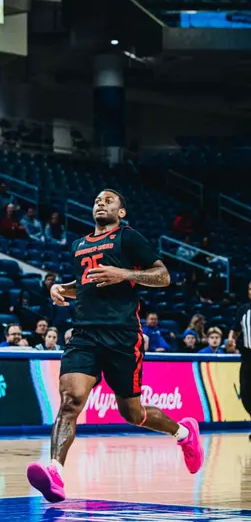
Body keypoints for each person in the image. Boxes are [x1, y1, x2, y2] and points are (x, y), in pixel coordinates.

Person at [26, 189, 203, 504]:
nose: (100, 202)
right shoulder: (79, 245)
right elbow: (84, 285)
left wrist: (123, 273)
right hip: (84, 334)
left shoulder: (128, 238)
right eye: (96, 199)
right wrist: (61, 288)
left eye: (109, 200)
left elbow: (163, 277)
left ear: (121, 212)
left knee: (132, 413)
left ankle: (185, 435)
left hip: (122, 335)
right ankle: (55, 472)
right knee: (70, 401)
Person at [234, 282, 251, 428]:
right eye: (250, 289)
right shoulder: (244, 310)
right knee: (245, 391)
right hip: (248, 357)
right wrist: (231, 340)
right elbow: (236, 329)